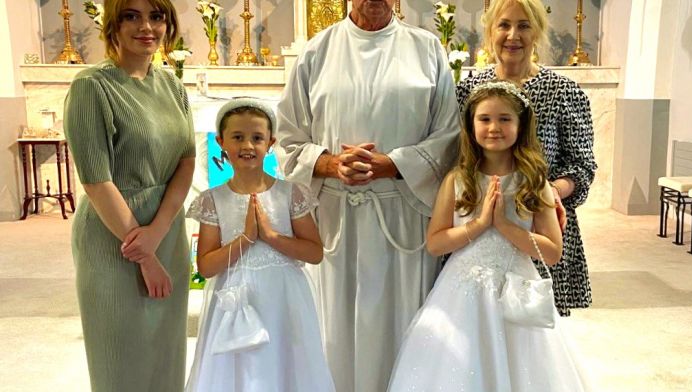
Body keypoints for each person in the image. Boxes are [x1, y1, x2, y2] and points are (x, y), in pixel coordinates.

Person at [275, 1, 461, 391]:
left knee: (401, 323)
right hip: (335, 217)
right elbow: (289, 137)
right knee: (334, 330)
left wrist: (392, 164)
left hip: (402, 216)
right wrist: (330, 164)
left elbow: (448, 136)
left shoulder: (427, 49)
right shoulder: (316, 51)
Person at [388, 81, 589, 391]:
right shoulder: (457, 180)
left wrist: (505, 226)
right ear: (471, 126)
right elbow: (436, 242)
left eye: (505, 119)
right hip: (462, 290)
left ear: (521, 126)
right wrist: (480, 224)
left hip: (517, 287)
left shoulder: (534, 182)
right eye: (484, 119)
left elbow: (552, 252)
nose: (494, 127)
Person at [63, 0, 194, 390]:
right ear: (113, 26)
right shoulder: (92, 87)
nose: (147, 27)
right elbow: (96, 180)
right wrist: (144, 251)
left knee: (165, 351)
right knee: (120, 356)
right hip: (114, 237)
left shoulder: (172, 85)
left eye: (156, 17)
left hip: (166, 231)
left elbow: (186, 162)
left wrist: (159, 232)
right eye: (132, 16)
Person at [456, 0, 597, 316]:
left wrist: (545, 193)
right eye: (504, 25)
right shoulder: (470, 88)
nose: (512, 35)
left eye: (523, 25)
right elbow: (459, 155)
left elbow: (582, 166)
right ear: (490, 31)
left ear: (538, 32)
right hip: (481, 229)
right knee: (480, 325)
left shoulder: (563, 91)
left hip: (537, 225)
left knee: (534, 333)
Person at [185, 98, 335, 392]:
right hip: (234, 298)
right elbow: (206, 265)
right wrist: (245, 238)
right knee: (239, 369)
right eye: (238, 137)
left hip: (283, 298)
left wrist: (272, 236)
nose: (248, 146)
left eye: (257, 138)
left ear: (271, 143)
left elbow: (315, 253)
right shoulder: (213, 199)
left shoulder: (290, 194)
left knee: (285, 362)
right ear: (221, 142)